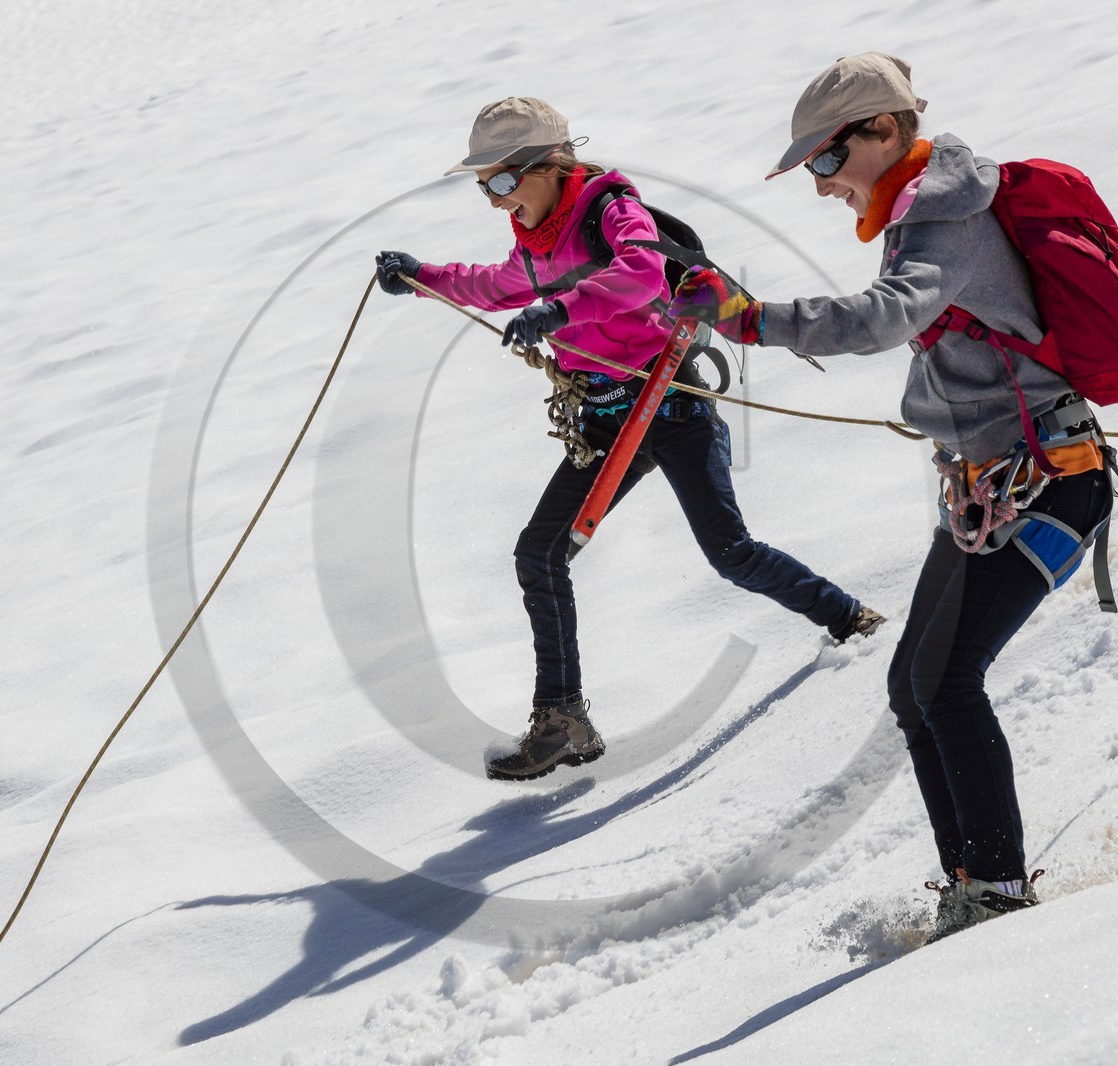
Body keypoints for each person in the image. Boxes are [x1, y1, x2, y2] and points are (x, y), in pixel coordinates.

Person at [669, 54, 1114, 938]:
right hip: (995, 487)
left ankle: (995, 894)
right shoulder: (920, 217)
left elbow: (880, 320)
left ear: (882, 132)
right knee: (916, 685)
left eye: (828, 162)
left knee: (945, 680)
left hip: (1055, 484)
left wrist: (749, 317)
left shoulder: (947, 218)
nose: (823, 187)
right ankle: (972, 882)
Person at [374, 97, 884, 781]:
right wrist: (420, 277)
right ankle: (563, 721)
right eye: (483, 185)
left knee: (729, 554)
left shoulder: (610, 206)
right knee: (539, 554)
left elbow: (642, 270)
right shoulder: (536, 238)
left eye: (502, 181)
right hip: (604, 420)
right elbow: (497, 286)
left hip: (670, 403)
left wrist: (559, 307)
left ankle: (849, 617)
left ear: (550, 167)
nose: (495, 200)